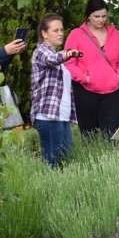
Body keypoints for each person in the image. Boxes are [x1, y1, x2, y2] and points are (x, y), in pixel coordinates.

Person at [63, 0, 119, 138]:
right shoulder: (76, 35)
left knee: (112, 136)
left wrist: (117, 76)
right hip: (85, 93)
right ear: (88, 16)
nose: (101, 20)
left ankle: (111, 160)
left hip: (112, 93)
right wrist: (85, 78)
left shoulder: (114, 34)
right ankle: (90, 160)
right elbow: (69, 63)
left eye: (104, 16)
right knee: (89, 137)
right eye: (96, 16)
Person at [31, 14, 82, 166]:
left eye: (61, 30)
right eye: (55, 30)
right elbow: (51, 59)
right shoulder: (41, 51)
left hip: (62, 117)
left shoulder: (58, 57)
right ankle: (46, 190)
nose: (60, 33)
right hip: (49, 117)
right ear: (44, 34)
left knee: (65, 162)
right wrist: (68, 53)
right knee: (53, 163)